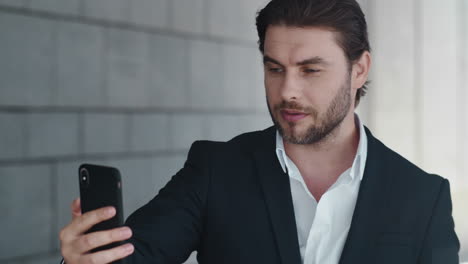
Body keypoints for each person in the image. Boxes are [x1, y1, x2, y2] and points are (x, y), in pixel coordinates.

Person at [59, 0, 460, 263]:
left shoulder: (423, 196)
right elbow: (134, 255)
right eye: (274, 68)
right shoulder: (215, 169)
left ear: (359, 69)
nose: (287, 91)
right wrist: (83, 256)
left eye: (310, 70)